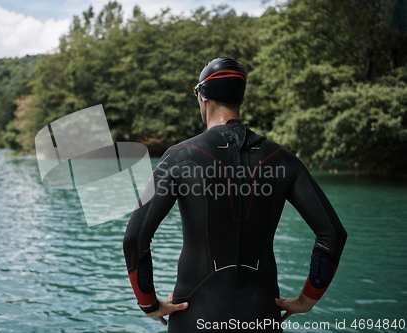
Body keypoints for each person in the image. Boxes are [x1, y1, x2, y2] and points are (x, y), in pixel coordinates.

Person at [123, 56, 347, 332]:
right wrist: (307, 299)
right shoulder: (282, 158)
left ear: (202, 95)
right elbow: (332, 234)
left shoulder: (180, 158)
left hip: (194, 316)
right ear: (239, 99)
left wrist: (149, 303)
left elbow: (136, 237)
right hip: (261, 314)